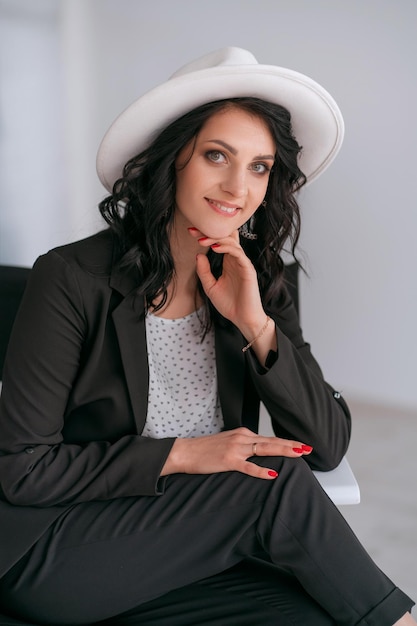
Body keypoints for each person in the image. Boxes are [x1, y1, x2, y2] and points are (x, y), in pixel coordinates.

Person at [0, 47, 414, 626]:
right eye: (216, 155)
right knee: (271, 482)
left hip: (186, 543)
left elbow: (326, 443)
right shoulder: (72, 278)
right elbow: (24, 469)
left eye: (259, 167)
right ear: (171, 161)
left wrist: (255, 325)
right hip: (63, 547)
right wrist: (185, 454)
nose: (236, 186)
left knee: (322, 615)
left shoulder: (260, 280)